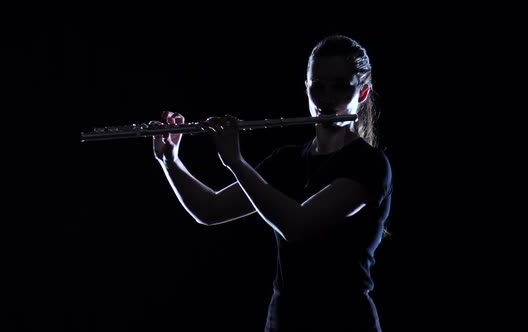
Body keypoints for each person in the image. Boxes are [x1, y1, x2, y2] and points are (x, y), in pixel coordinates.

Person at [152, 34, 392, 332]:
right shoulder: (287, 161)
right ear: (306, 87)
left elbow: (297, 225)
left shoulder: (369, 165)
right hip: (284, 322)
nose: (326, 97)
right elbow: (210, 209)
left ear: (364, 92)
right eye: (317, 86)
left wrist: (236, 163)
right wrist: (170, 161)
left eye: (341, 85)